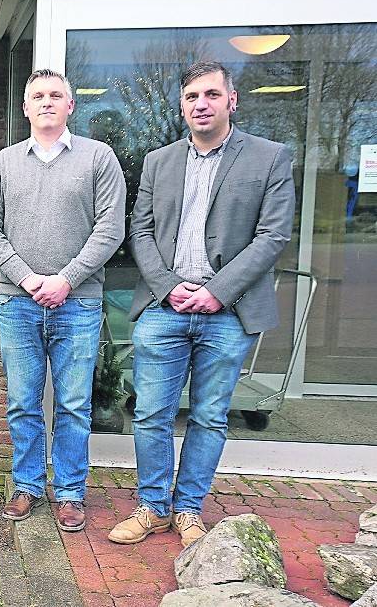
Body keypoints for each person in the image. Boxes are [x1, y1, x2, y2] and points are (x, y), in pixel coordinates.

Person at [108, 61, 295, 548]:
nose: (201, 104)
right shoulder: (159, 161)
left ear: (231, 101)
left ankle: (189, 510)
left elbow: (272, 235)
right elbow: (141, 231)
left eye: (211, 95)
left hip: (228, 313)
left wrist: (217, 291)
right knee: (150, 414)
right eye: (192, 97)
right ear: (182, 106)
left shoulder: (269, 158)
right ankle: (153, 508)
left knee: (210, 417)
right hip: (164, 308)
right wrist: (168, 286)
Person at [0, 69, 126, 532]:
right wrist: (25, 277)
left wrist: (66, 279)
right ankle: (26, 485)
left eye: (56, 95)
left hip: (77, 303)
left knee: (74, 403)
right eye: (37, 96)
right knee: (21, 401)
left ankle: (71, 492)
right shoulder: (2, 163)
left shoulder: (99, 159)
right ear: (25, 108)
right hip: (17, 303)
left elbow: (111, 229)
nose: (46, 102)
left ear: (70, 106)